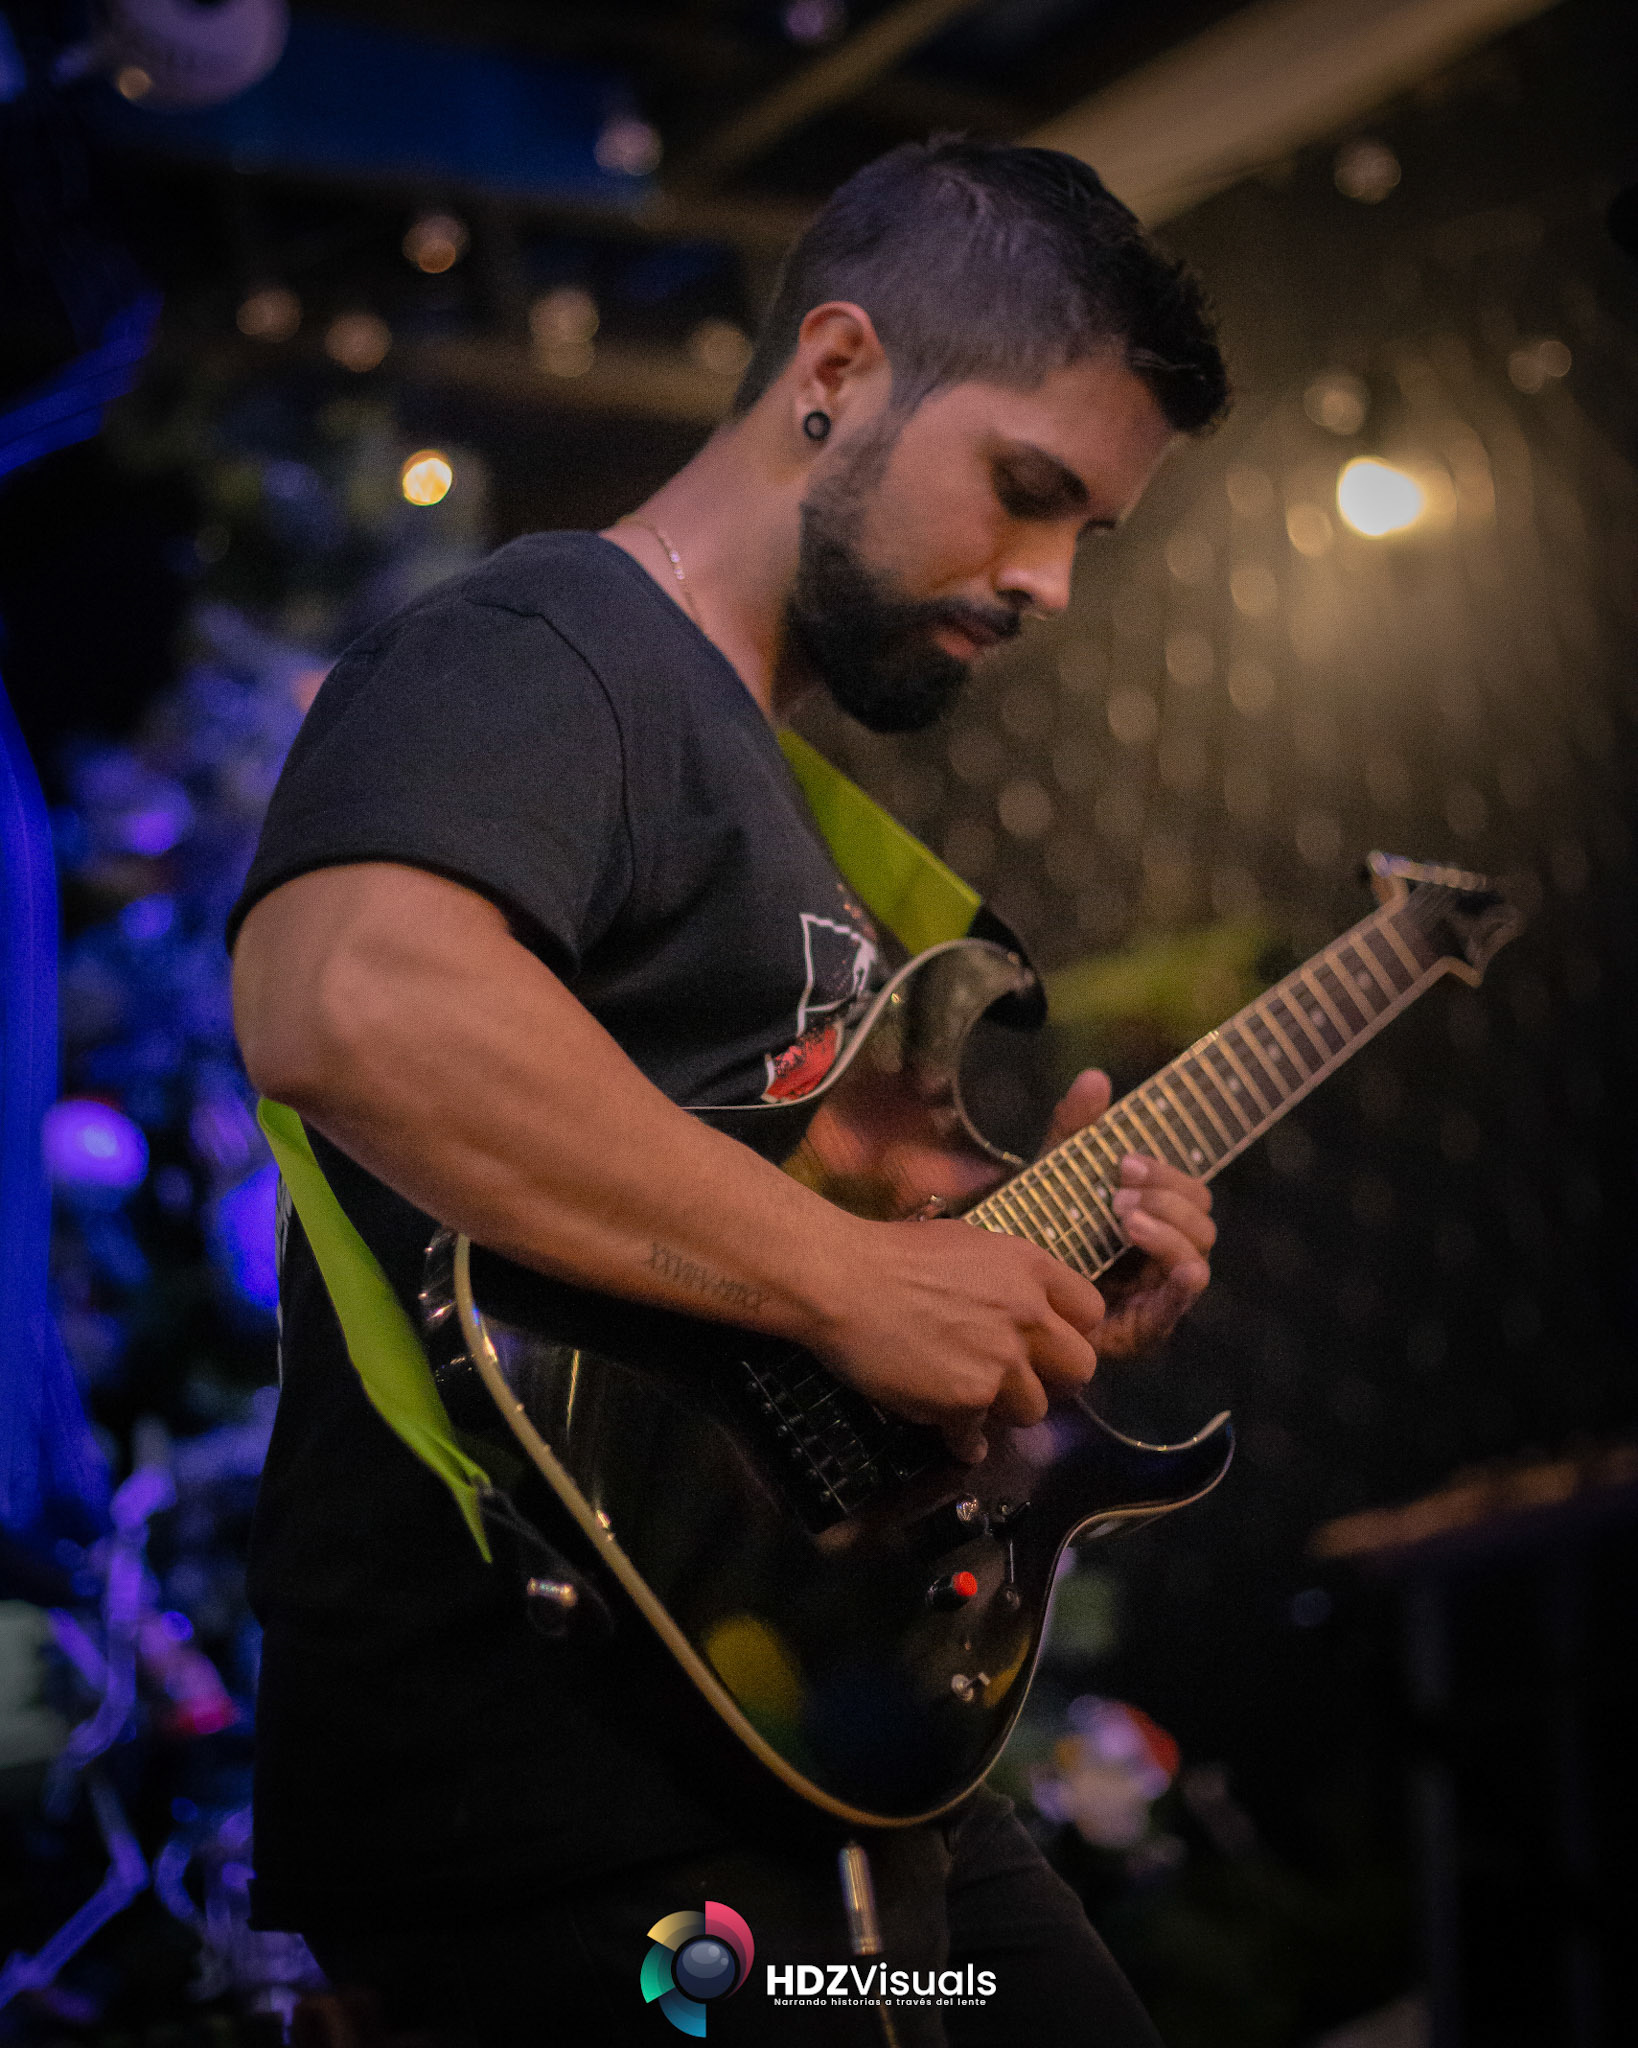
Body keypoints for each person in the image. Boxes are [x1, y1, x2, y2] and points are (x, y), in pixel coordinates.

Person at [228, 139, 1229, 2044]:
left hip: (793, 1748)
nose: (1047, 583)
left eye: (1089, 533)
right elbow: (346, 995)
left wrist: (1012, 1289)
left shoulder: (769, 783)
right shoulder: (552, 645)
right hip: (550, 1801)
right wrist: (847, 1276)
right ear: (836, 369)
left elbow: (718, 1300)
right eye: (1028, 492)